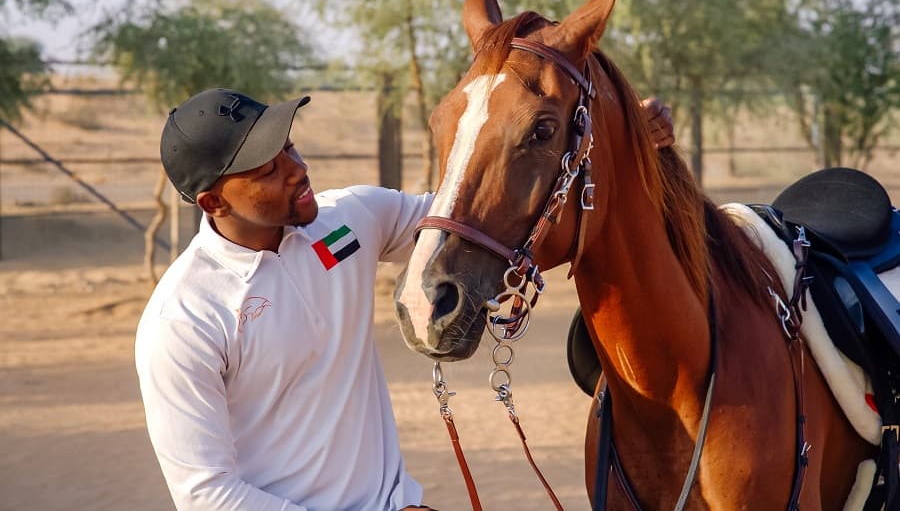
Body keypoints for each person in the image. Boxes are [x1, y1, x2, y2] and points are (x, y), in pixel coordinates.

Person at [135, 88, 674, 510]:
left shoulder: (345, 221)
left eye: (289, 148)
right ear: (213, 202)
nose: (297, 170)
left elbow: (478, 221)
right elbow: (205, 495)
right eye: (268, 170)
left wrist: (616, 143)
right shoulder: (185, 319)